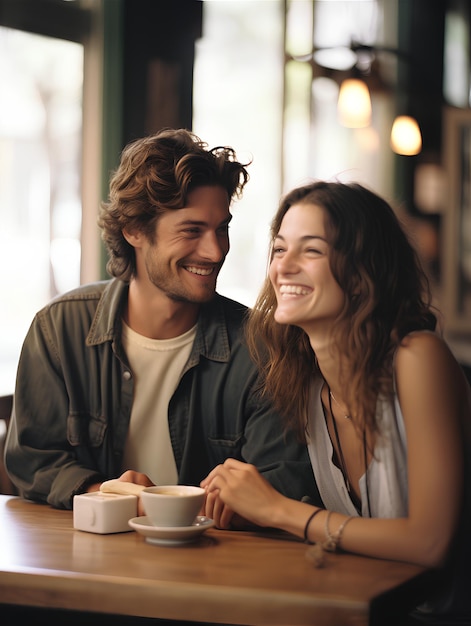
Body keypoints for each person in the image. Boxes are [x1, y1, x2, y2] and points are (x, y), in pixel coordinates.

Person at [5, 129, 319, 520]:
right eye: (192, 230)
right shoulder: (59, 329)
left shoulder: (262, 346)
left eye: (222, 228)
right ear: (134, 230)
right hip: (91, 555)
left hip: (217, 563)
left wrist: (220, 508)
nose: (215, 250)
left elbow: (283, 478)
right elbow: (32, 459)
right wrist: (105, 492)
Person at [202, 181, 471, 622]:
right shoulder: (308, 387)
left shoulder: (418, 360)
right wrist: (250, 510)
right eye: (279, 248)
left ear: (364, 272)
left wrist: (279, 509)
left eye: (311, 251)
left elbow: (429, 543)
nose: (283, 267)